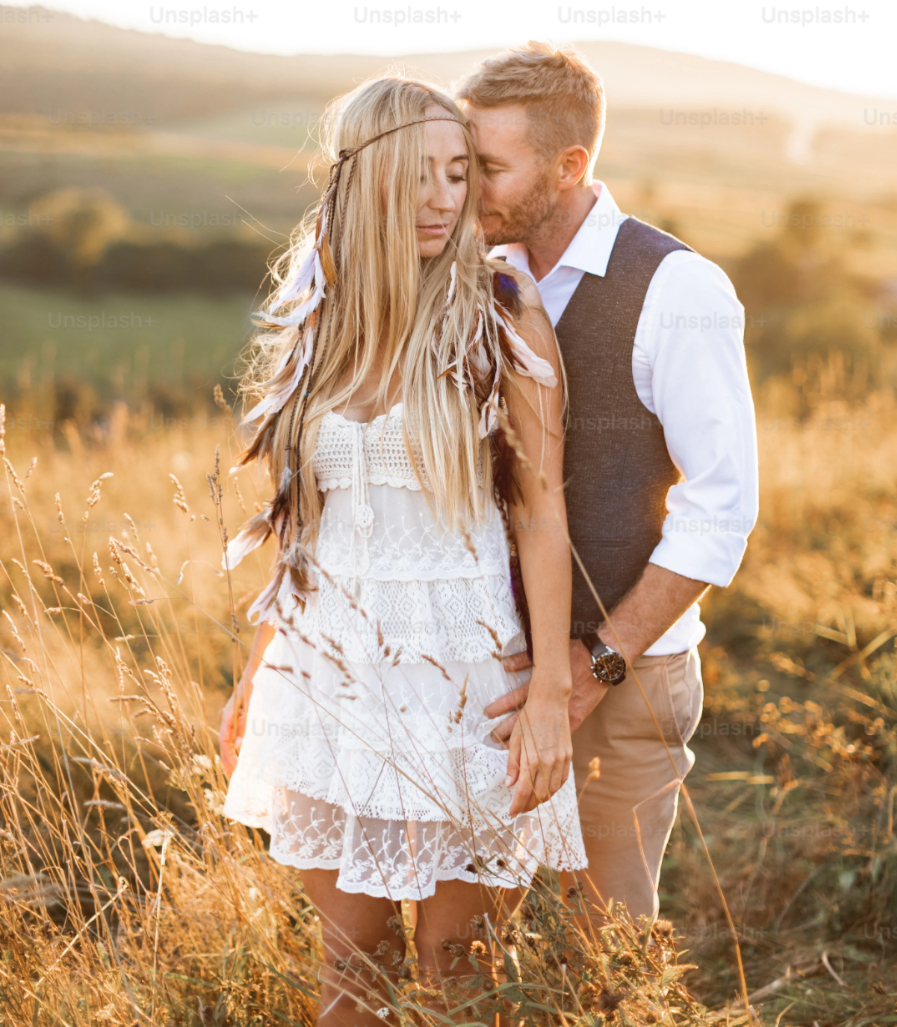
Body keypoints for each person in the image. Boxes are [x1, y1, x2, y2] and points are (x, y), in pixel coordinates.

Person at [217, 74, 587, 1027]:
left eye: (460, 173)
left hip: (461, 681)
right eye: (420, 174)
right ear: (365, 178)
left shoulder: (501, 307)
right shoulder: (321, 318)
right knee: (350, 980)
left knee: (456, 979)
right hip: (327, 679)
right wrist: (258, 670)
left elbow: (543, 515)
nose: (443, 197)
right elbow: (305, 521)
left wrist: (550, 690)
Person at [456, 42, 759, 925]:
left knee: (604, 943)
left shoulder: (678, 288)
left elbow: (719, 510)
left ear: (570, 166)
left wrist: (592, 667)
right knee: (478, 946)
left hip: (625, 679)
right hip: (489, 675)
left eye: (488, 167)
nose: (462, 186)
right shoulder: (469, 275)